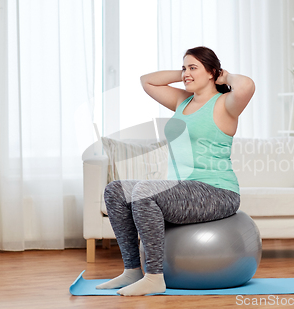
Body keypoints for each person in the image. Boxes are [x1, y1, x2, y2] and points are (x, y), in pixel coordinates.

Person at [96, 46, 255, 296]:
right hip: (179, 189)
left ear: (213, 72)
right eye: (184, 67)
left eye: (193, 68)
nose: (186, 73)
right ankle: (132, 270)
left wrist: (225, 76)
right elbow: (147, 81)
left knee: (145, 192)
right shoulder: (183, 101)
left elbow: (246, 86)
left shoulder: (225, 104)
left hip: (217, 191)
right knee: (115, 190)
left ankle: (154, 276)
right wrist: (185, 74)